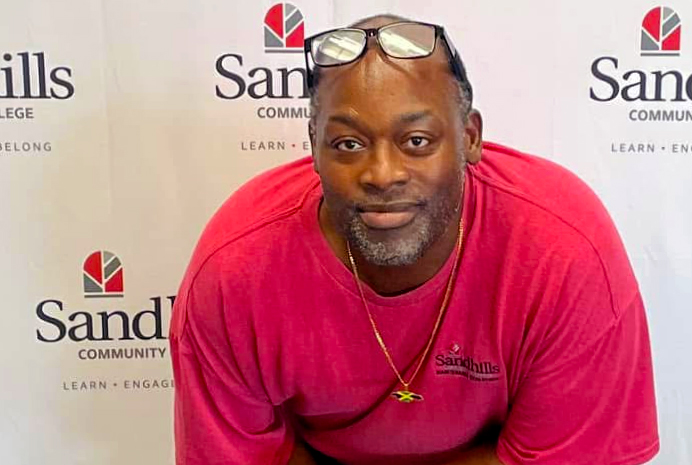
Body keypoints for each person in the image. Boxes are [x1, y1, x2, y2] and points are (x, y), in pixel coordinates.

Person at [169, 13, 660, 465]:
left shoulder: (562, 248)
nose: (382, 174)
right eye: (348, 144)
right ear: (314, 148)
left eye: (417, 141)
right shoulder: (236, 270)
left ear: (470, 138)